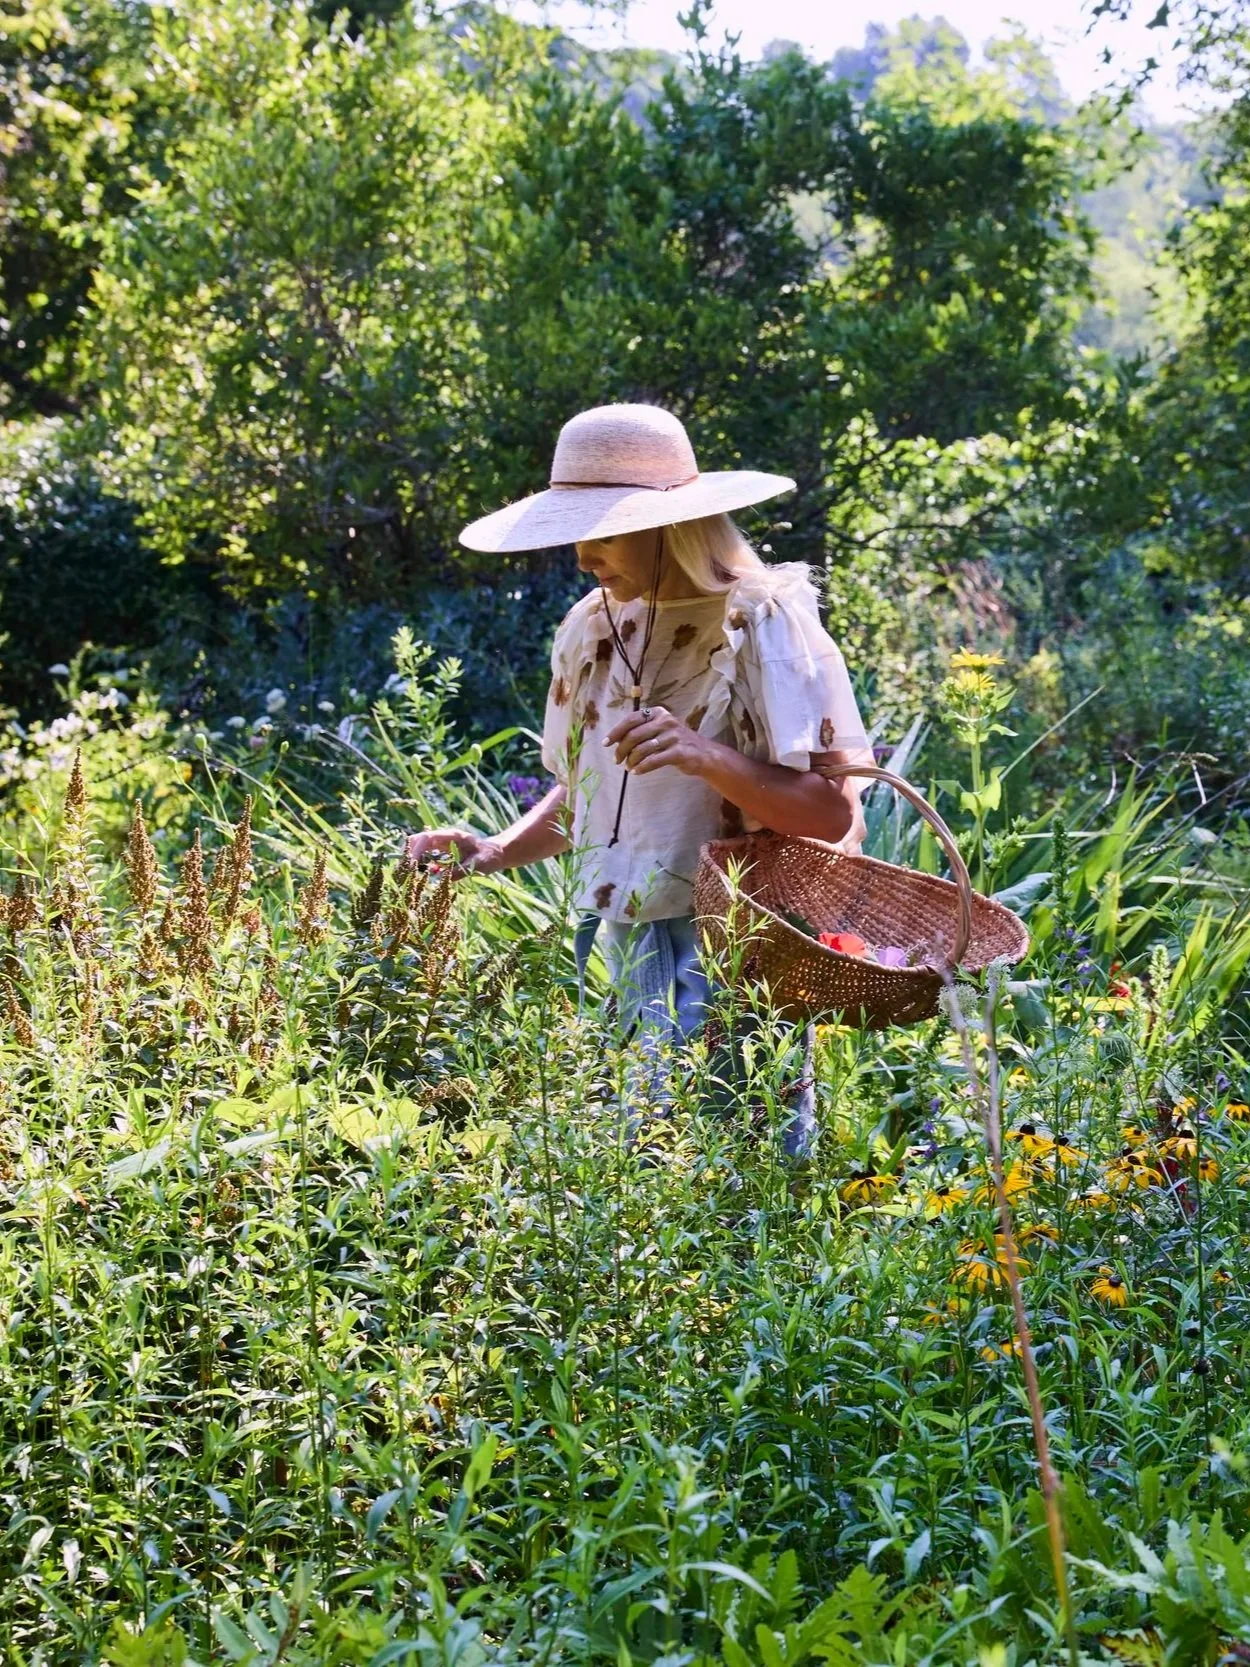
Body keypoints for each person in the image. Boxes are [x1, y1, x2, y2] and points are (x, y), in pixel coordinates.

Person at [406, 404, 874, 1154]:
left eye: (607, 531)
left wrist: (706, 756)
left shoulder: (763, 623)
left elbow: (830, 814)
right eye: (575, 532)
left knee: (742, 1168)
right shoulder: (593, 626)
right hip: (624, 937)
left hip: (738, 940)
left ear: (672, 527)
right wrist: (492, 851)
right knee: (644, 1167)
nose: (584, 556)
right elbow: (592, 795)